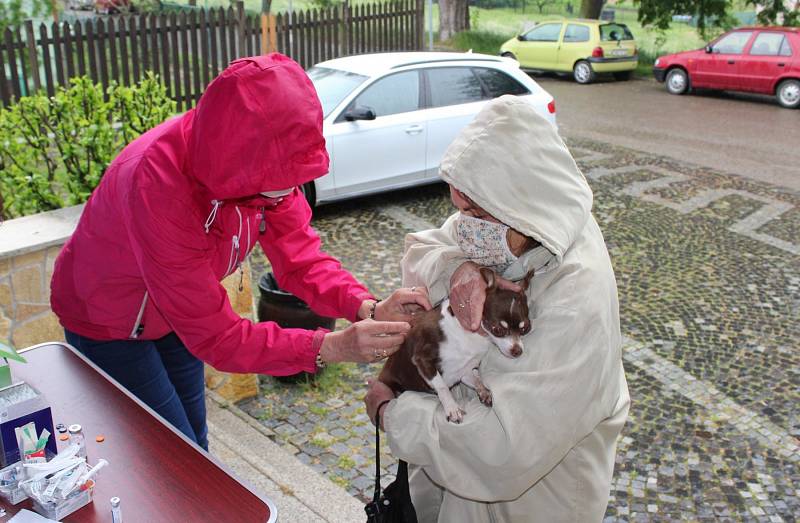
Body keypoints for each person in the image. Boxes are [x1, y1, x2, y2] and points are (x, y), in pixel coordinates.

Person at [50, 53, 430, 451]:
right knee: (166, 454)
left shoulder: (266, 170)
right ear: (239, 161)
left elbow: (300, 260)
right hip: (108, 320)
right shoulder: (158, 187)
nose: (289, 191)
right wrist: (330, 347)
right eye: (280, 181)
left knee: (194, 442)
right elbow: (219, 338)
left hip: (174, 316)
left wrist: (365, 307)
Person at [365, 95, 630, 521]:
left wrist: (393, 412)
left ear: (519, 205)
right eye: (459, 208)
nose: (464, 222)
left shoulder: (578, 300)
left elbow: (501, 448)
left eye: (472, 210)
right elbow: (422, 251)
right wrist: (457, 268)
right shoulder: (509, 224)